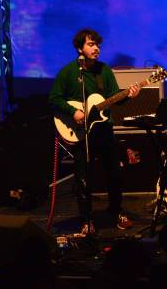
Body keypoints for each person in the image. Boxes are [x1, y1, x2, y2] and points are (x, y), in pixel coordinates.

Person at [49, 28, 140, 233]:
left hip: (104, 131)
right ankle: (86, 219)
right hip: (82, 134)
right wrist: (73, 112)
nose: (96, 48)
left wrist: (129, 95)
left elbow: (113, 97)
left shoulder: (104, 71)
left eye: (98, 44)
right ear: (79, 48)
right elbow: (54, 99)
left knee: (114, 174)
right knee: (84, 178)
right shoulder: (69, 72)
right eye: (91, 44)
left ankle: (117, 212)